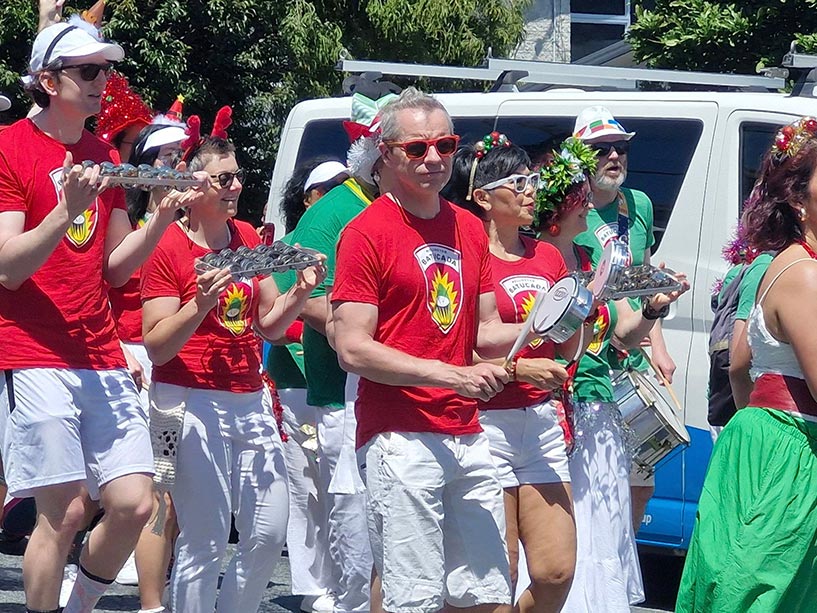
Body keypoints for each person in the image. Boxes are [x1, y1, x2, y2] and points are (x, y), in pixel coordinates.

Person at [0, 22, 190, 613]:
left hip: (99, 352)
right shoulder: (9, 146)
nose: (101, 82)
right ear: (47, 80)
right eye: (88, 71)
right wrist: (64, 211)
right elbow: (8, 266)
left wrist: (158, 220)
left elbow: (113, 269)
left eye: (105, 70)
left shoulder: (104, 154)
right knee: (65, 511)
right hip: (31, 352)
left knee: (136, 502)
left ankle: (79, 603)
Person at [331, 87, 539, 613]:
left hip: (466, 432)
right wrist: (452, 376)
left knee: (488, 596)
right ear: (387, 152)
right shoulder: (365, 232)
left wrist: (543, 330)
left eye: (445, 146)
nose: (433, 160)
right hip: (399, 434)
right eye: (417, 149)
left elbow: (484, 331)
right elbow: (352, 348)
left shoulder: (470, 227)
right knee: (414, 601)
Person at [140, 108, 325, 613]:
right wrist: (199, 303)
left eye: (238, 175)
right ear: (193, 186)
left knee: (267, 530)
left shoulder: (245, 237)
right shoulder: (167, 247)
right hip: (186, 399)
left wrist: (298, 294)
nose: (236, 185)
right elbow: (156, 345)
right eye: (223, 177)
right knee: (205, 535)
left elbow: (267, 323)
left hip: (247, 396)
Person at [534, 137, 687, 613]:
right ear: (560, 208)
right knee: (559, 537)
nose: (590, 214)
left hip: (596, 404)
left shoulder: (589, 262)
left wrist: (653, 309)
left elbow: (623, 331)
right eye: (581, 203)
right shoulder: (536, 261)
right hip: (552, 411)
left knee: (605, 524)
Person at [677, 116, 817, 612]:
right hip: (792, 450)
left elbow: (740, 363)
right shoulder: (804, 274)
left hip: (769, 439)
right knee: (764, 592)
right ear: (798, 199)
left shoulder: (789, 263)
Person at [445, 135, 586, 612]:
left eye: (533, 180)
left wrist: (580, 315)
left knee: (555, 571)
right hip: (485, 423)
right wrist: (520, 366)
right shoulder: (464, 259)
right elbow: (457, 347)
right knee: (495, 578)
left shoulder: (546, 255)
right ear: (482, 197)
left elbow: (565, 342)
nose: (531, 191)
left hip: (540, 421)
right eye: (518, 182)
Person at [274, 85, 398, 613]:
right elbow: (293, 288)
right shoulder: (335, 211)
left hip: (398, 391)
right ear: (377, 156)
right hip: (340, 391)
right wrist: (365, 335)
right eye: (407, 150)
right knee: (352, 509)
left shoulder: (403, 209)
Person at [572, 105, 670, 531]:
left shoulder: (639, 204)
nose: (614, 157)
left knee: (641, 481)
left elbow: (647, 280)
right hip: (591, 355)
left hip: (635, 351)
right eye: (601, 150)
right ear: (579, 157)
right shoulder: (569, 211)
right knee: (596, 481)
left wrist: (660, 350)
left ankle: (620, 560)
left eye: (620, 148)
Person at [109, 120, 187, 612]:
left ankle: (160, 573)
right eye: (163, 156)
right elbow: (93, 291)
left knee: (168, 479)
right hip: (126, 355)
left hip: (171, 358)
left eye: (181, 155)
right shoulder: (123, 222)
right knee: (136, 479)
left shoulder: (188, 224)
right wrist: (117, 354)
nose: (174, 165)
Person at [707, 233, 772, 442]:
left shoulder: (741, 271)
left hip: (724, 369)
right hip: (731, 375)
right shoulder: (761, 268)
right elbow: (738, 364)